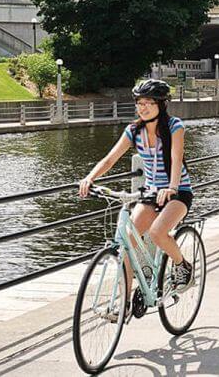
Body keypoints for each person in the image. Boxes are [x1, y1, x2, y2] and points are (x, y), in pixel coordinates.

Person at [78, 79, 194, 288]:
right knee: (127, 242)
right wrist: (90, 178)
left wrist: (172, 187)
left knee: (158, 232)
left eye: (148, 103)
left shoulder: (174, 126)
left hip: (178, 192)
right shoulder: (133, 131)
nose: (143, 108)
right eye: (139, 103)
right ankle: (125, 301)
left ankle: (182, 264)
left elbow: (177, 157)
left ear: (161, 104)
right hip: (150, 193)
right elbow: (110, 159)